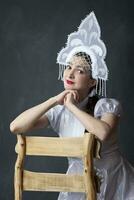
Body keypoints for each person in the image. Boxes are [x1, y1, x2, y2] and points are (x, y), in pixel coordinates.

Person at [10, 12, 134, 200]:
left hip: (114, 180)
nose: (70, 73)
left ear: (93, 81)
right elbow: (15, 127)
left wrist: (72, 107)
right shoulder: (58, 111)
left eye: (80, 70)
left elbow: (103, 132)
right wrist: (53, 100)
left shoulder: (105, 106)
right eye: (68, 66)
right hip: (76, 182)